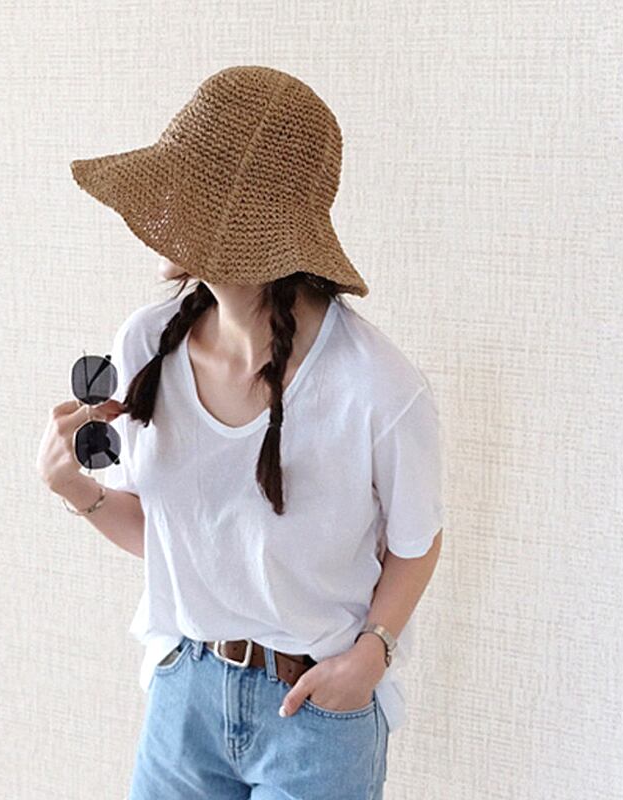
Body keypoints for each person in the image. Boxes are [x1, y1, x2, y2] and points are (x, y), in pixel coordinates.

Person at [37, 66, 444, 799]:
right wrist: (77, 491)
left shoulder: (377, 387)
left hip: (315, 713)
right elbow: (178, 536)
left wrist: (371, 656)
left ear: (234, 220)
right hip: (184, 694)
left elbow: (416, 544)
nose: (158, 210)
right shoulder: (147, 344)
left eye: (182, 191)